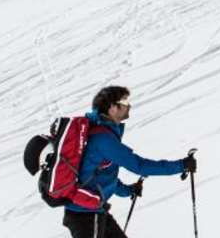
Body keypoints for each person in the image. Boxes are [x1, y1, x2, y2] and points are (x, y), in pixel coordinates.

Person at [62, 86, 197, 238]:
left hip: (93, 210)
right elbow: (140, 166)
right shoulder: (103, 139)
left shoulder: (103, 132)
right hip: (86, 216)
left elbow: (102, 176)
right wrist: (181, 165)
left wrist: (128, 190)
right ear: (112, 107)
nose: (129, 105)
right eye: (124, 102)